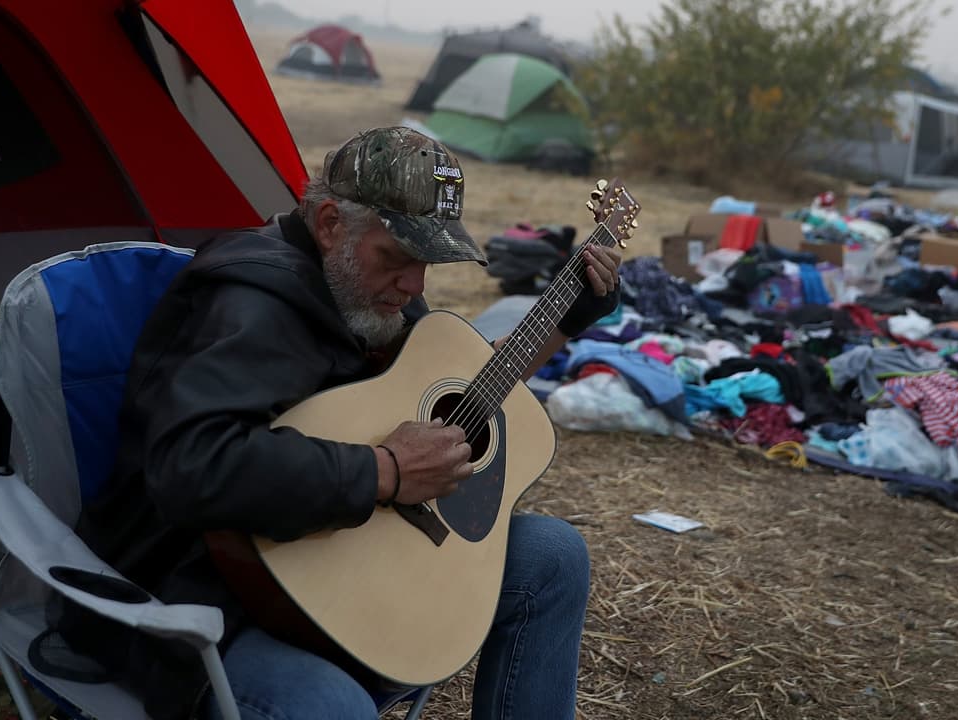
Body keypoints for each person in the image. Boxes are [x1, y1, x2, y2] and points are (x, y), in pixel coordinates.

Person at [55, 126, 622, 720]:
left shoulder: (368, 292)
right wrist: (386, 469)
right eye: (399, 257)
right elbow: (191, 466)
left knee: (553, 556)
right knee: (333, 706)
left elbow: (468, 396)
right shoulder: (252, 305)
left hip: (337, 567)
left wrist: (567, 316)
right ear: (329, 223)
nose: (414, 285)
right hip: (194, 604)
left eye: (428, 263)